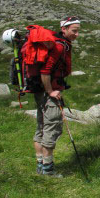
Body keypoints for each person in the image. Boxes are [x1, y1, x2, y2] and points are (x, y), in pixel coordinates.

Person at [33, 16, 80, 176]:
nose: (76, 34)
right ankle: (48, 170)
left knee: (42, 125)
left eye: (78, 31)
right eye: (74, 31)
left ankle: (40, 166)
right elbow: (45, 71)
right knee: (52, 126)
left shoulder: (59, 44)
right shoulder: (59, 47)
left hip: (39, 91)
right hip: (48, 93)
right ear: (64, 29)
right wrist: (50, 91)